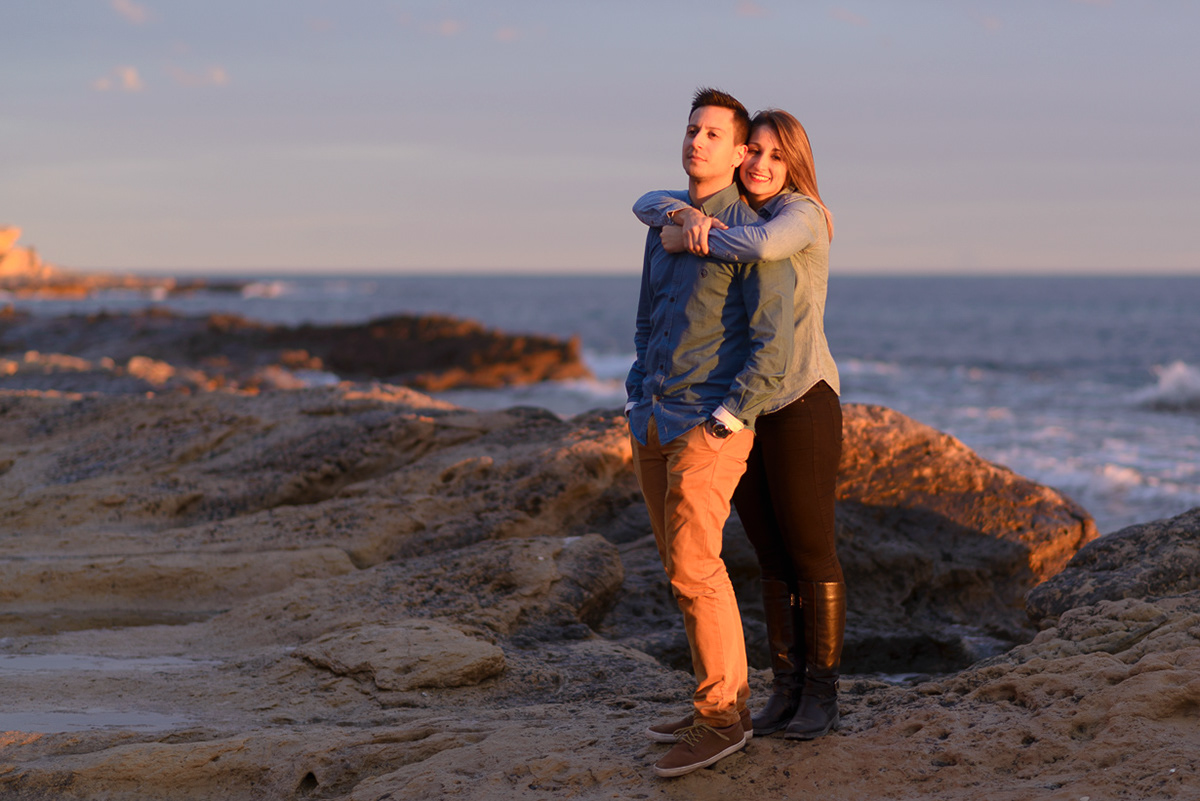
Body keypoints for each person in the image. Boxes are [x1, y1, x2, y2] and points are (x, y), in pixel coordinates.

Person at [633, 108, 844, 741]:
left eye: (774, 156)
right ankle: (781, 691)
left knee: (810, 547)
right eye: (752, 149)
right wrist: (677, 215)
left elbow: (761, 247)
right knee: (769, 552)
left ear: (795, 164)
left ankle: (822, 694)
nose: (758, 164)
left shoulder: (798, 214)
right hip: (747, 406)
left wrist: (692, 233)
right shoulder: (723, 212)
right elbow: (645, 200)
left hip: (800, 398)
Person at [626, 88, 795, 777]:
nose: (698, 142)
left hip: (705, 422)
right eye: (693, 130)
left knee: (697, 564)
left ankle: (724, 715)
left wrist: (729, 417)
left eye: (714, 134)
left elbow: (771, 341)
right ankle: (715, 698)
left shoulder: (748, 236)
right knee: (680, 567)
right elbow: (647, 317)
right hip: (651, 415)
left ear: (737, 151)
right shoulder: (664, 221)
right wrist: (636, 390)